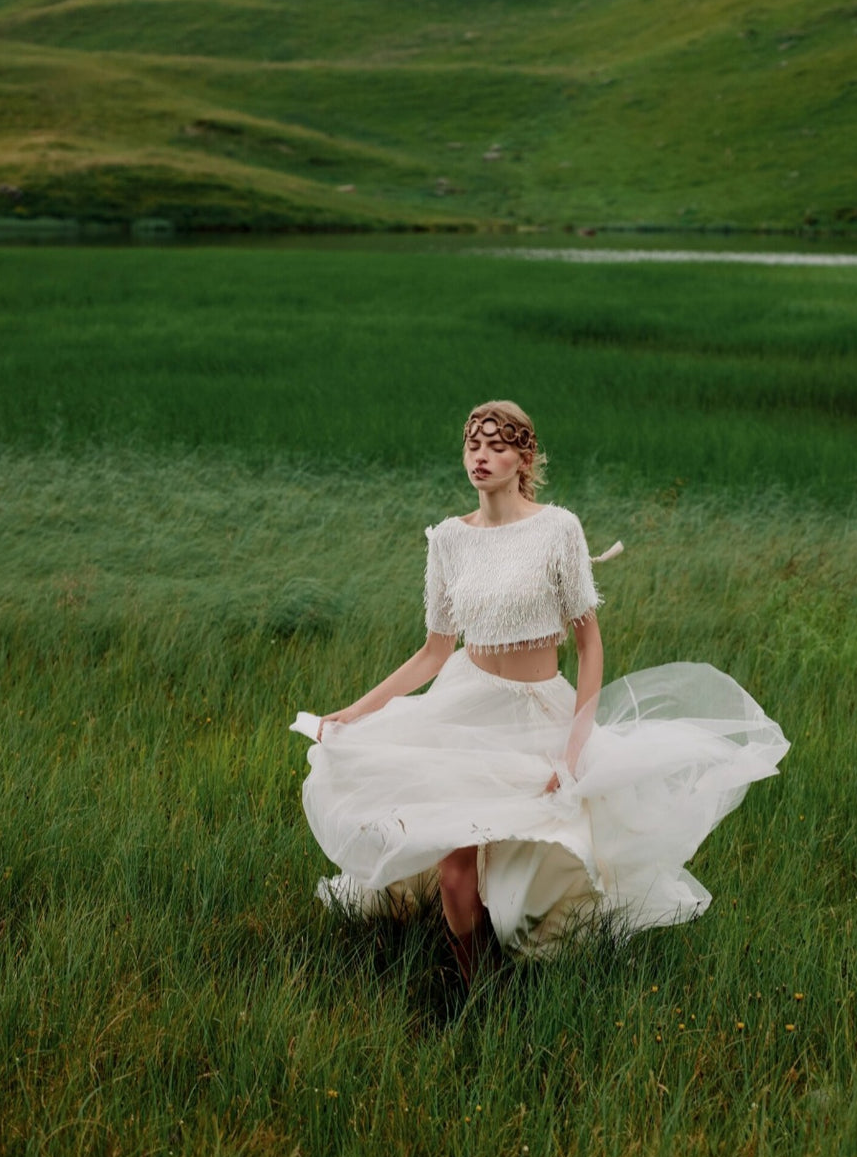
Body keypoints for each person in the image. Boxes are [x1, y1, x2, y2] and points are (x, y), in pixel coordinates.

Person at [297, 400, 789, 988]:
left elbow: (589, 646)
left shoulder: (558, 528)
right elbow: (433, 652)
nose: (481, 457)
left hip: (537, 713)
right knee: (455, 874)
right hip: (465, 711)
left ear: (524, 457)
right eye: (473, 446)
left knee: (527, 877)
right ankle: (474, 989)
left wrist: (575, 744)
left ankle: (536, 965)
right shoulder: (449, 539)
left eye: (497, 446)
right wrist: (352, 713)